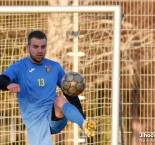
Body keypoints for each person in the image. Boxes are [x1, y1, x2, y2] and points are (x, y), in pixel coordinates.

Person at [0, 30, 96, 145]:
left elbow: (70, 92)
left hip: (55, 116)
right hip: (35, 119)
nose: (40, 51)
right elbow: (2, 79)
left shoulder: (54, 67)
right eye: (35, 47)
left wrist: (82, 116)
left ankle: (84, 124)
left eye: (43, 47)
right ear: (28, 47)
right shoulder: (19, 67)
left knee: (59, 100)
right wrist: (8, 84)